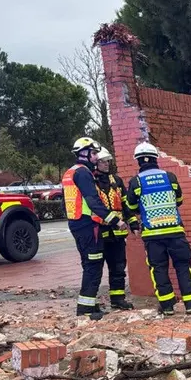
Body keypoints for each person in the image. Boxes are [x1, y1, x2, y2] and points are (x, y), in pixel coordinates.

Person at [125, 143, 191, 316]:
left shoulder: (136, 182)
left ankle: (167, 306)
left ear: (138, 161)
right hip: (175, 232)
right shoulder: (170, 177)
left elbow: (131, 205)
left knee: (159, 269)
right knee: (183, 266)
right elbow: (179, 199)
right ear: (156, 159)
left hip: (152, 235)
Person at [62, 137, 122, 320]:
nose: (96, 157)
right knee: (94, 266)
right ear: (84, 153)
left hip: (77, 223)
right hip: (88, 225)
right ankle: (86, 310)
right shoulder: (83, 173)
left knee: (88, 264)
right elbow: (92, 200)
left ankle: (90, 305)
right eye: (94, 153)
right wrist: (114, 220)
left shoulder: (70, 172)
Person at [94, 148, 134, 310]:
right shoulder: (90, 182)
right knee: (95, 269)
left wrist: (134, 223)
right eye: (102, 161)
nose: (106, 164)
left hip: (117, 235)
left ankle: (118, 300)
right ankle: (92, 302)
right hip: (99, 234)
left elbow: (125, 205)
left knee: (118, 268)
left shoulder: (116, 181)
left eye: (107, 161)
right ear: (95, 163)